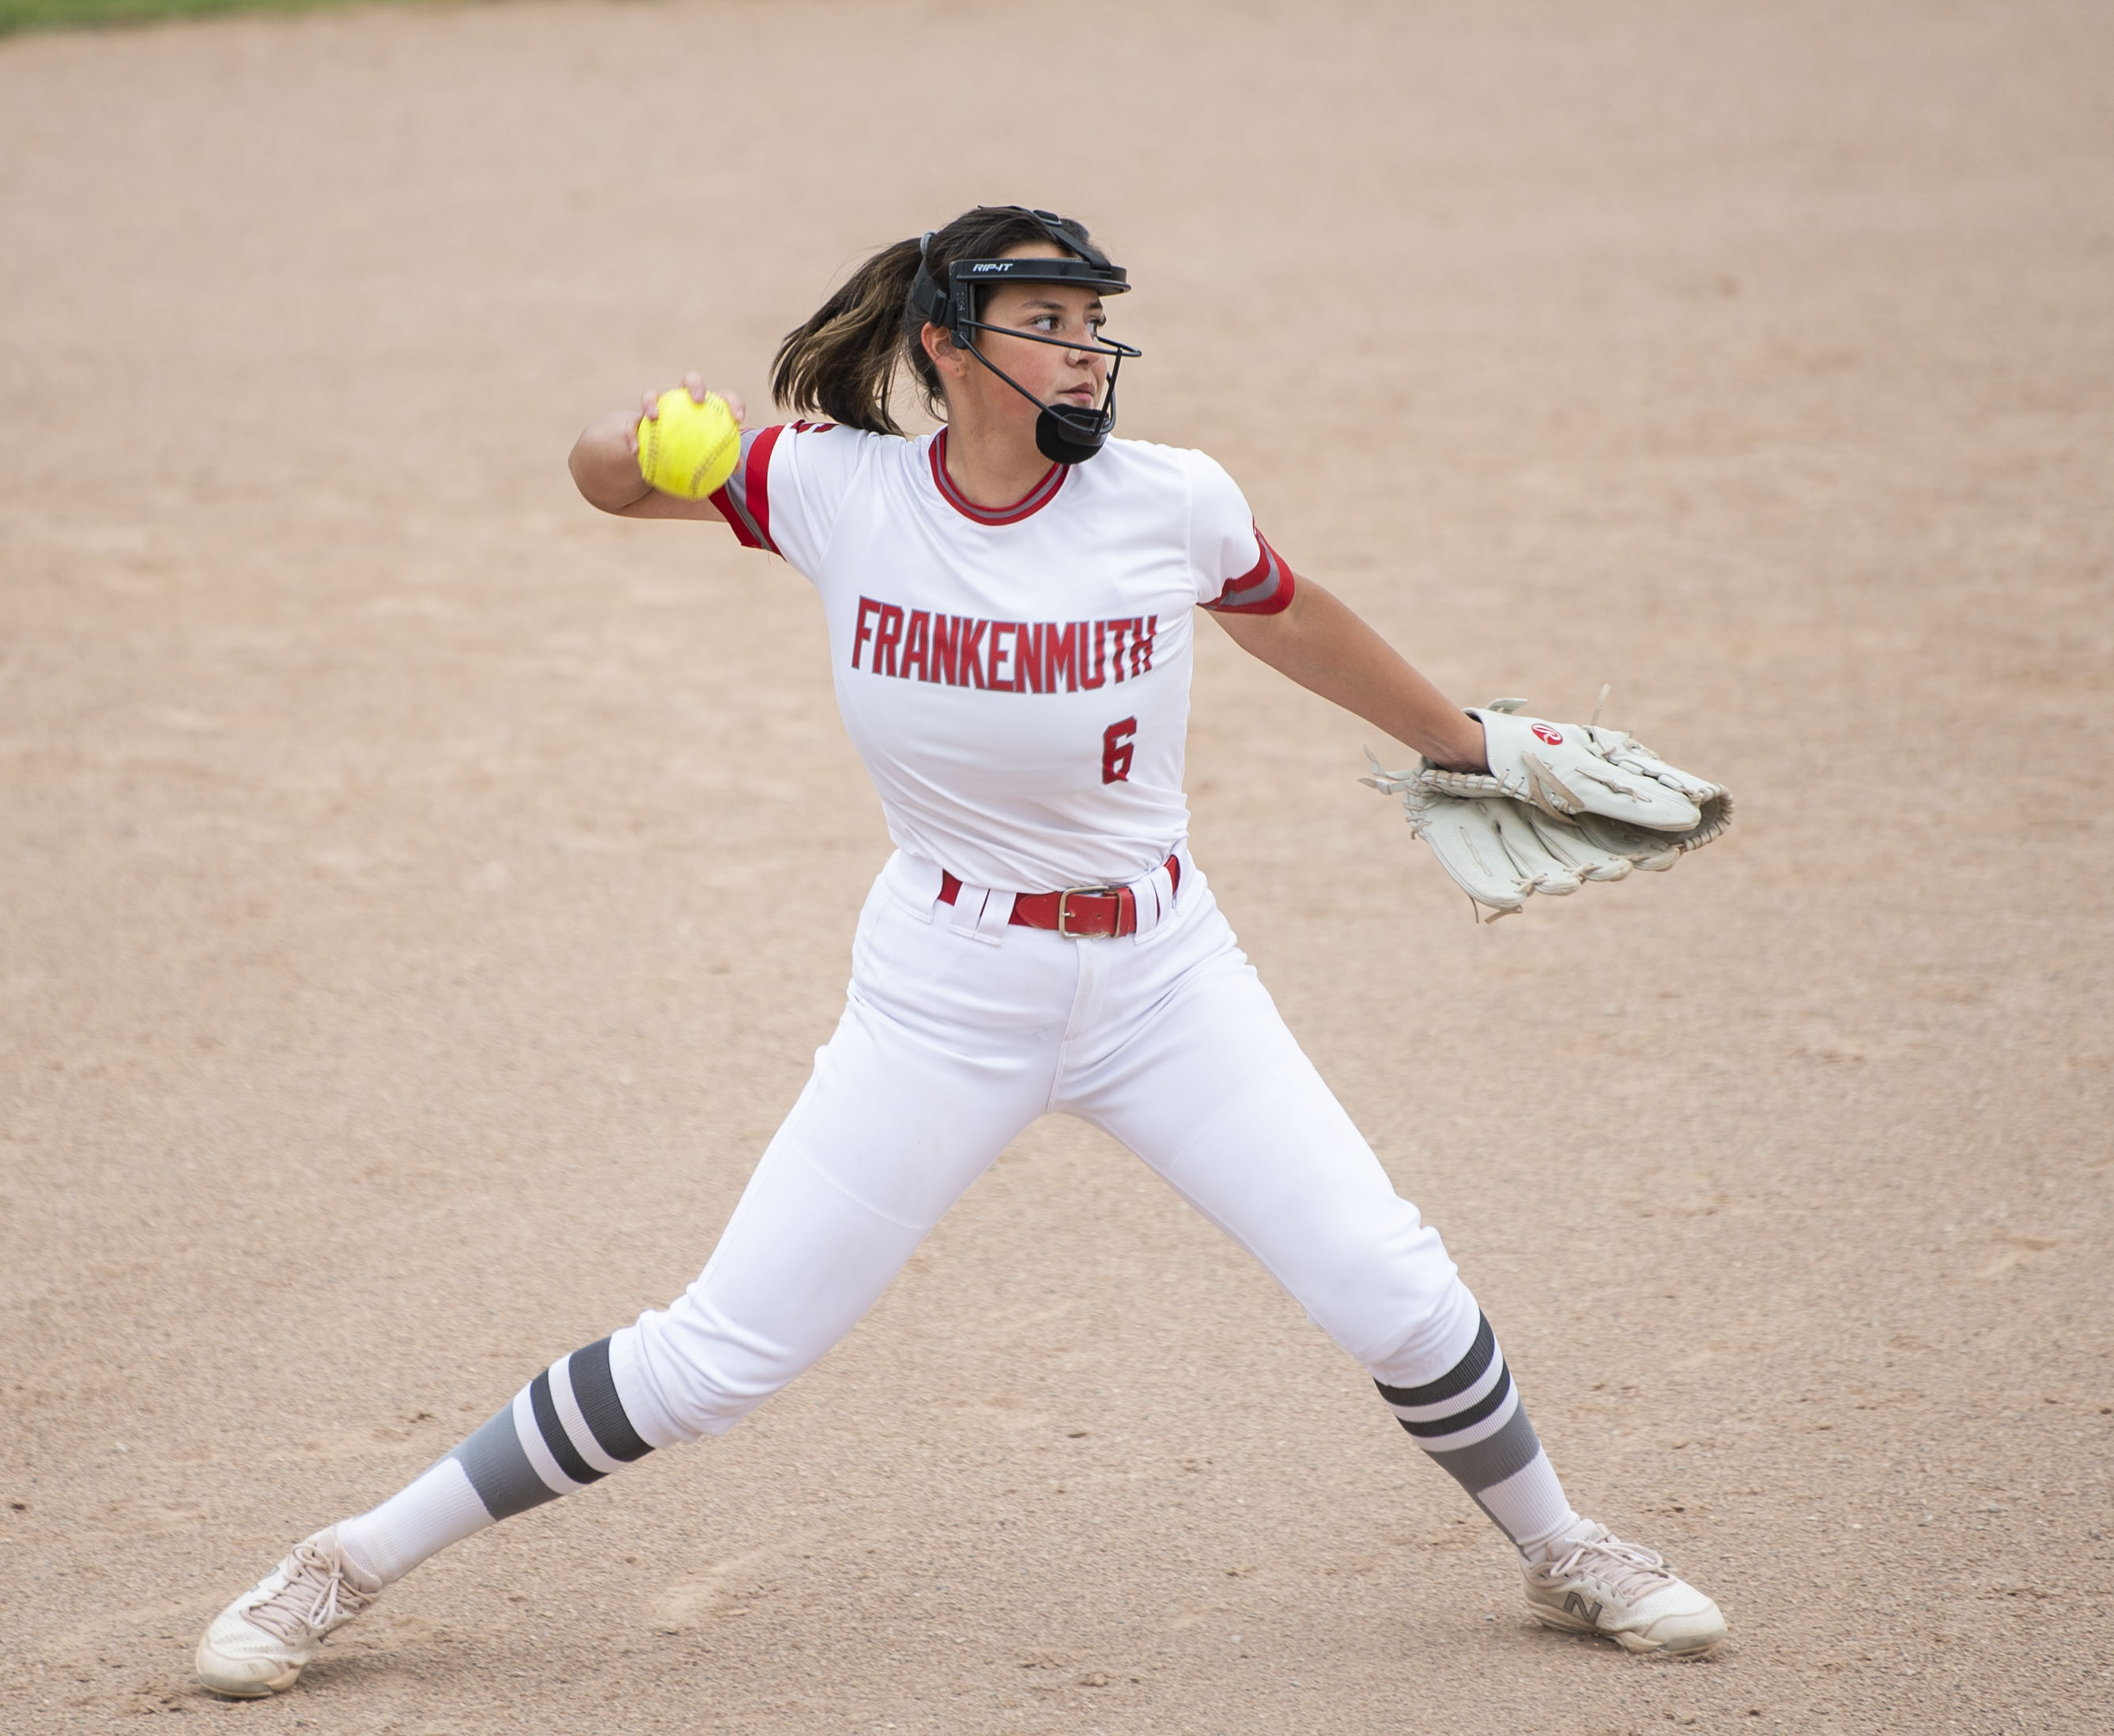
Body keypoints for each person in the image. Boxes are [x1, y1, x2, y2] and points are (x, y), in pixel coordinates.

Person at [193, 206, 1726, 1697]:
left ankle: (1559, 1541)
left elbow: (1286, 613)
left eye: (1090, 325)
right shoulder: (834, 486)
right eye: (1042, 322)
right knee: (719, 1355)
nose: (1081, 354)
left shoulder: (1169, 497)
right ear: (943, 339)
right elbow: (606, 482)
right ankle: (348, 1558)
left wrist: (1470, 744)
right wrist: (646, 427)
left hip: (1165, 979)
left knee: (1388, 1284)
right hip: (945, 989)